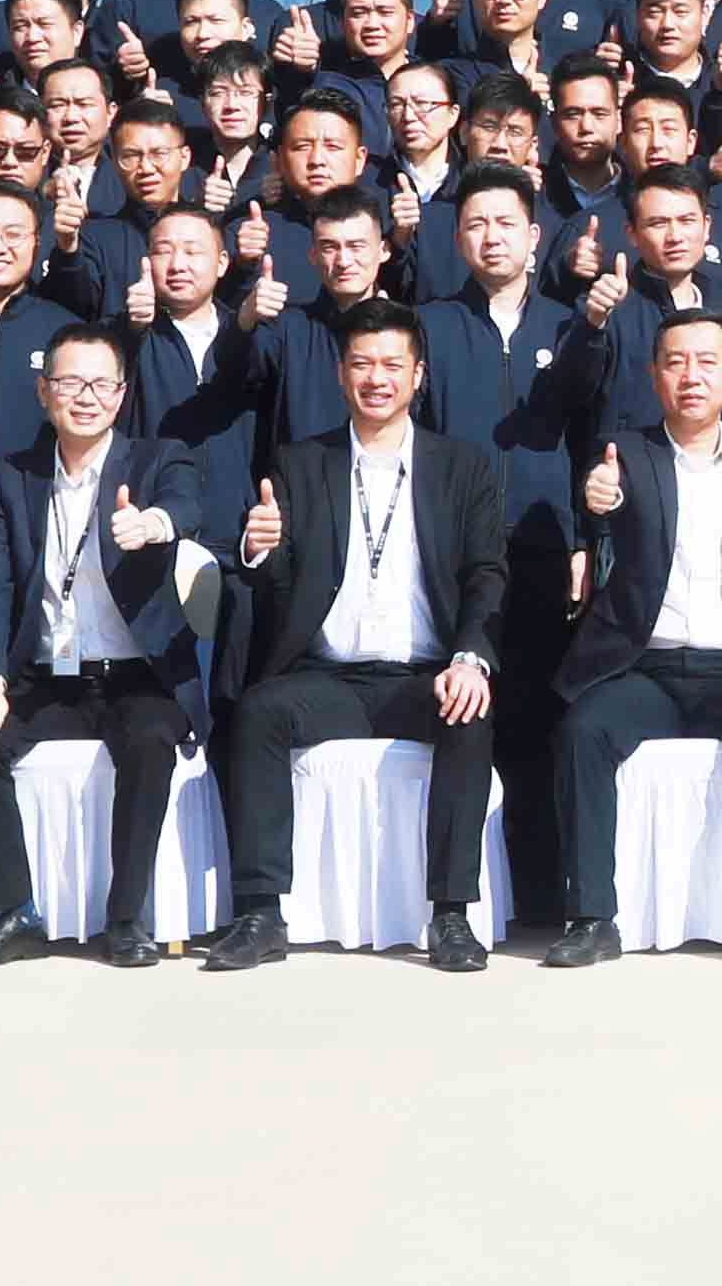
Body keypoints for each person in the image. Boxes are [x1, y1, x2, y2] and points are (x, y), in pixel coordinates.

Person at [203, 302, 508, 973]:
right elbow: (277, 577)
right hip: (328, 676)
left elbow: (486, 573)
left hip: (422, 675)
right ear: (341, 374)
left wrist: (470, 658)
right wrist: (258, 550)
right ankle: (259, 912)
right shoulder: (300, 463)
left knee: (469, 710)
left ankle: (450, 914)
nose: (377, 378)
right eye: (362, 364)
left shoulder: (462, 467)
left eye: (392, 365)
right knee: (258, 712)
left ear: (418, 375)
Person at [546, 305, 722, 968]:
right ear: (654, 376)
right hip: (640, 669)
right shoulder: (623, 453)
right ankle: (591, 917)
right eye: (675, 363)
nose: (691, 377)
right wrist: (598, 500)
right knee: (582, 732)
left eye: (706, 363)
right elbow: (600, 505)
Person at [0, 325, 216, 969]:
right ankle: (13, 913)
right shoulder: (13, 477)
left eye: (100, 384)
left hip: (137, 675)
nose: (85, 397)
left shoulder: (155, 460)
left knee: (148, 741)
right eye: (70, 382)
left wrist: (154, 524)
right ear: (44, 392)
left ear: (121, 395)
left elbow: (186, 504)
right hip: (48, 675)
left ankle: (125, 918)